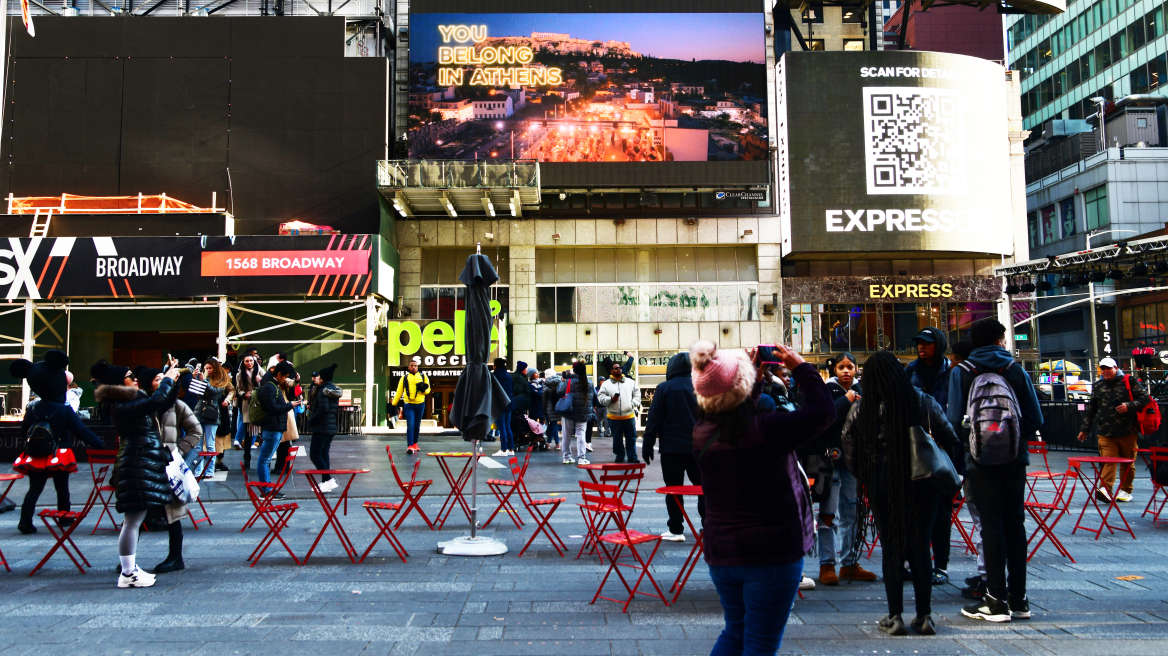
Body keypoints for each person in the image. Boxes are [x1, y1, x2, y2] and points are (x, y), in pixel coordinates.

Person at [691, 341, 835, 655]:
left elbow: (736, 416)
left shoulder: (703, 431)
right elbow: (824, 412)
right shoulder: (769, 430)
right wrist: (802, 368)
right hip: (771, 555)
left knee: (735, 632)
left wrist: (752, 381)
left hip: (723, 554)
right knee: (760, 644)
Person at [842, 350, 960, 636]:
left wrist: (867, 476)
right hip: (921, 477)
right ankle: (925, 615)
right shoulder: (922, 401)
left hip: (882, 479)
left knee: (892, 546)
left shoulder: (862, 408)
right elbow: (951, 439)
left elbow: (849, 447)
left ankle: (895, 616)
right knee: (920, 545)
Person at [948, 318, 1043, 623]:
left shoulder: (962, 371)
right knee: (1015, 524)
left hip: (978, 461)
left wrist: (976, 442)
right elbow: (1035, 417)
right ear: (1000, 339)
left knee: (990, 526)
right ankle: (1020, 599)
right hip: (1016, 460)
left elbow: (952, 420)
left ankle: (995, 601)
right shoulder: (1014, 368)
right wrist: (1010, 438)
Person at [92, 359, 182, 588]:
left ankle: (129, 569)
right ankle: (128, 572)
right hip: (137, 461)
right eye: (130, 375)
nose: (134, 378)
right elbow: (155, 402)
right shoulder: (121, 403)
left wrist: (171, 382)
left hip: (141, 460)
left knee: (134, 520)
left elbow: (159, 404)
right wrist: (168, 379)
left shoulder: (126, 400)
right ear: (119, 382)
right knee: (132, 521)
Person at [11, 351, 106, 535]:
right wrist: (100, 444)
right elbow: (81, 430)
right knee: (62, 487)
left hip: (36, 453)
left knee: (34, 488)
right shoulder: (64, 410)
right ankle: (64, 516)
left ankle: (25, 520)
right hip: (60, 452)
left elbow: (24, 430)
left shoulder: (34, 408)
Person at [808, 352, 876, 586]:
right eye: (841, 367)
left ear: (857, 369)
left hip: (854, 461)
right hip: (830, 461)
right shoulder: (827, 391)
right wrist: (845, 400)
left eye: (850, 367)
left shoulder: (866, 391)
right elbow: (823, 419)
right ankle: (827, 564)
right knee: (828, 513)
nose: (846, 371)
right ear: (834, 370)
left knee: (853, 511)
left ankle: (850, 562)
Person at [142, 364, 200, 574]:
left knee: (173, 512)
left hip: (168, 466)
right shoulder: (141, 404)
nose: (164, 381)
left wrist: (177, 452)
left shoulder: (177, 405)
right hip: (145, 464)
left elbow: (195, 430)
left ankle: (175, 557)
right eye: (158, 379)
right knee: (136, 512)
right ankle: (128, 559)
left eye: (164, 378)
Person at [642, 352, 704, 543]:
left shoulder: (664, 388)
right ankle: (709, 526)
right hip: (700, 448)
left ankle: (676, 529)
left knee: (673, 489)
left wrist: (648, 443)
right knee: (703, 489)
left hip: (672, 448)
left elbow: (654, 418)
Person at [1076, 356, 1150, 503]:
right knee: (1108, 461)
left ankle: (1125, 490)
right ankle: (1105, 489)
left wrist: (1129, 406)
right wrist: (1085, 429)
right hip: (1105, 432)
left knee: (1127, 462)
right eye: (1103, 368)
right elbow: (1092, 408)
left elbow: (1145, 398)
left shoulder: (1129, 381)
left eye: (1108, 368)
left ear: (1116, 368)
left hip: (1127, 431)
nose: (1105, 371)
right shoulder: (1097, 385)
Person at [256, 360, 300, 486]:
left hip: (274, 427)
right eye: (285, 377)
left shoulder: (271, 384)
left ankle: (268, 487)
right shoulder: (270, 386)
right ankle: (266, 489)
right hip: (272, 427)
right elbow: (273, 408)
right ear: (279, 373)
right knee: (264, 460)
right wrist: (289, 405)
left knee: (265, 459)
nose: (285, 380)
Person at [597, 359, 642, 463]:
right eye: (616, 368)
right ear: (611, 371)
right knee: (617, 438)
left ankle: (632, 456)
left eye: (620, 368)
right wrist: (610, 400)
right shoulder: (606, 384)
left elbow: (637, 394)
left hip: (629, 415)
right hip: (614, 416)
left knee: (631, 437)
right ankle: (619, 455)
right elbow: (600, 397)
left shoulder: (630, 382)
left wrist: (633, 404)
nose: (619, 369)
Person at [307, 364, 343, 492]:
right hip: (330, 426)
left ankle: (328, 480)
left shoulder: (322, 390)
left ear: (322, 378)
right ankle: (325, 482)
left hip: (321, 426)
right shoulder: (333, 390)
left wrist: (311, 420)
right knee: (323, 454)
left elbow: (323, 409)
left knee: (315, 454)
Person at [198, 358, 235, 475]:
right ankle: (199, 470)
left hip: (215, 410)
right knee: (199, 443)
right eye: (206, 368)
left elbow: (218, 392)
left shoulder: (222, 378)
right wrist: (196, 379)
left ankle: (212, 467)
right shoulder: (204, 377)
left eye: (210, 368)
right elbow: (197, 392)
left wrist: (228, 400)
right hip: (201, 410)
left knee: (211, 441)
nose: (208, 370)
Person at [556, 361, 596, 465]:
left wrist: (562, 381)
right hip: (583, 412)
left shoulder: (569, 381)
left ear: (574, 371)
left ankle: (566, 457)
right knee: (581, 435)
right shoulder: (589, 382)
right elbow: (594, 396)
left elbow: (560, 392)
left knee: (567, 435)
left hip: (569, 411)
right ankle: (582, 458)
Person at [906, 327, 951, 412]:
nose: (922, 346)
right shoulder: (909, 372)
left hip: (945, 423)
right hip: (918, 424)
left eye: (927, 343)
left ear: (939, 345)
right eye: (919, 343)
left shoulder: (951, 372)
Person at [395, 357, 431, 454]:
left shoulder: (423, 376)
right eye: (412, 366)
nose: (413, 367)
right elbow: (399, 391)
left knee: (417, 425)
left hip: (420, 404)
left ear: (417, 366)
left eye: (415, 366)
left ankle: (415, 443)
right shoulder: (404, 378)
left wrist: (424, 390)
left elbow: (428, 389)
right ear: (408, 367)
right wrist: (394, 403)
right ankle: (410, 445)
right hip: (409, 404)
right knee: (410, 424)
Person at [235, 353, 262, 469]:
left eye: (251, 361)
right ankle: (247, 458)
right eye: (247, 361)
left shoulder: (260, 371)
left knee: (262, 430)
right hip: (247, 404)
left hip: (260, 403)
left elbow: (267, 384)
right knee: (247, 431)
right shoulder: (240, 374)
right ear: (243, 362)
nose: (249, 363)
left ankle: (265, 459)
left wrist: (260, 381)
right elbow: (238, 389)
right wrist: (244, 394)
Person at [491, 358, 516, 456]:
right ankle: (511, 449)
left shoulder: (494, 376)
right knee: (507, 427)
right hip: (509, 403)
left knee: (501, 428)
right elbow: (512, 389)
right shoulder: (509, 376)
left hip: (499, 404)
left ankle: (503, 450)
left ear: (496, 365)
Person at [542, 368, 563, 450]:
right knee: (553, 424)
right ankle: (548, 442)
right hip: (558, 405)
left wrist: (543, 409)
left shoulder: (546, 384)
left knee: (553, 423)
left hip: (549, 406)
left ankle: (557, 443)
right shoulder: (560, 382)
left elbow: (544, 398)